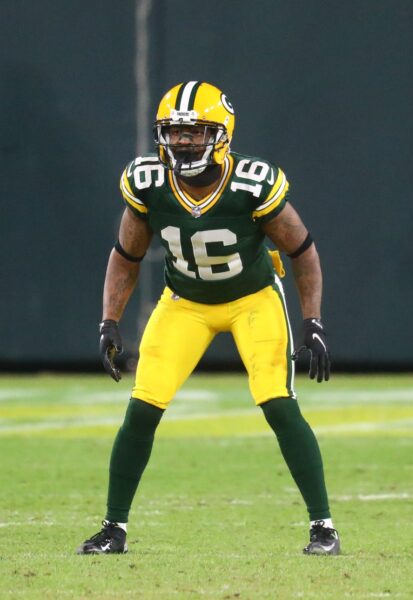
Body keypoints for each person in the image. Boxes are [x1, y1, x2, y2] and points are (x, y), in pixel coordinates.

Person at [76, 81, 340, 556]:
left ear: (221, 134)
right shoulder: (148, 181)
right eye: (174, 134)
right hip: (185, 303)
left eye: (194, 133)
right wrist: (108, 320)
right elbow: (125, 255)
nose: (182, 143)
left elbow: (302, 251)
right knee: (142, 407)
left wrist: (313, 321)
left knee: (278, 401)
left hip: (252, 298)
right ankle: (112, 529)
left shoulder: (251, 183)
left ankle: (324, 527)